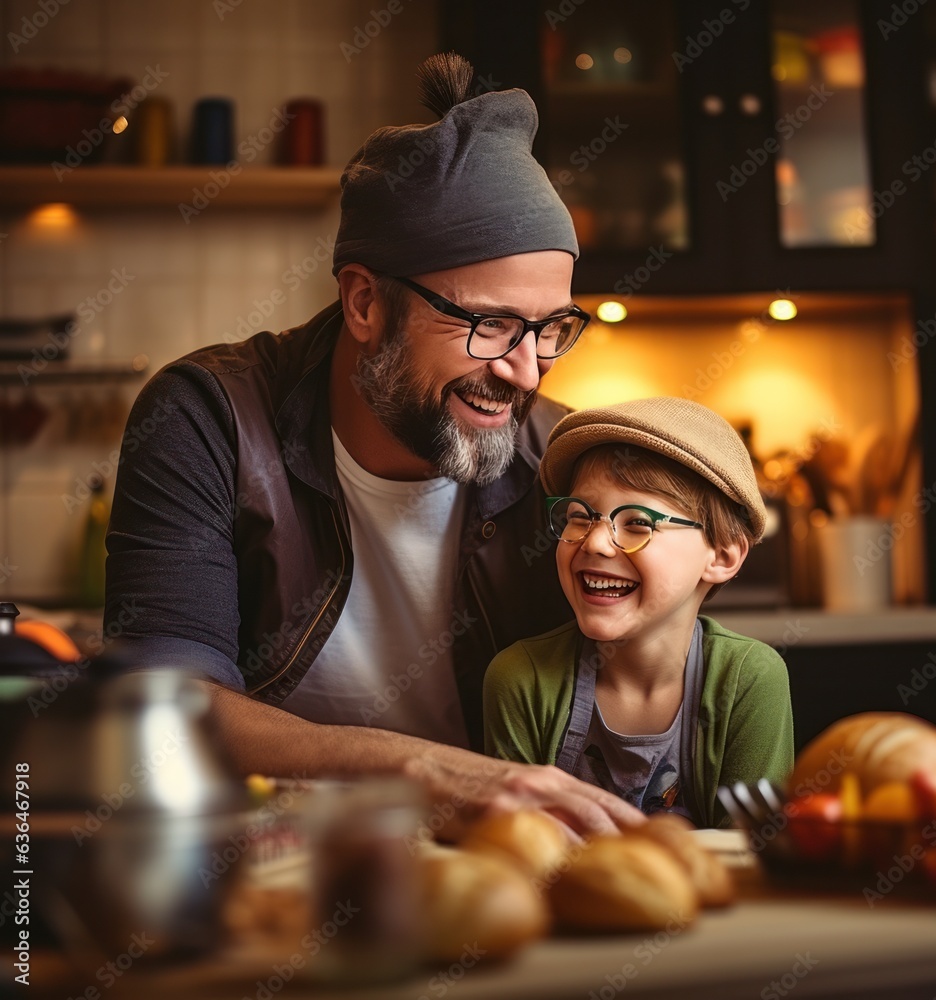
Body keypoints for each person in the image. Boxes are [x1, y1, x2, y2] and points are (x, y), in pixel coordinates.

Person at [102, 53, 642, 838]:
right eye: (489, 324)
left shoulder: (565, 459)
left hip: (505, 871)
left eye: (551, 328)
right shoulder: (209, 418)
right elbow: (162, 705)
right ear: (364, 302)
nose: (525, 371)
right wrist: (412, 769)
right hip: (269, 865)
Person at [483, 396, 795, 827]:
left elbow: (753, 859)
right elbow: (514, 850)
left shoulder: (750, 680)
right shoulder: (521, 678)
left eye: (636, 523)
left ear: (722, 556)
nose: (594, 542)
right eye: (580, 516)